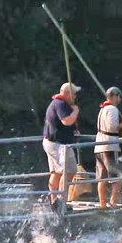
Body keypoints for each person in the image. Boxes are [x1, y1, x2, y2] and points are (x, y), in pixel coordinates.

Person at [94, 86, 122, 209]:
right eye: (119, 97)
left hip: (99, 146)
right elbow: (112, 127)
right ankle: (113, 203)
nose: (120, 100)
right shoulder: (112, 109)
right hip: (109, 147)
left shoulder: (102, 109)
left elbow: (108, 130)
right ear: (114, 96)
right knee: (116, 177)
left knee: (102, 177)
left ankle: (102, 204)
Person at [42, 82, 81, 212]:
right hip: (58, 144)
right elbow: (66, 121)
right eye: (74, 93)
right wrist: (75, 111)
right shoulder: (61, 104)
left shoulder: (57, 103)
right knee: (70, 171)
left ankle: (54, 202)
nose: (75, 96)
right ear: (68, 93)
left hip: (51, 142)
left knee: (56, 172)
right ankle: (61, 201)